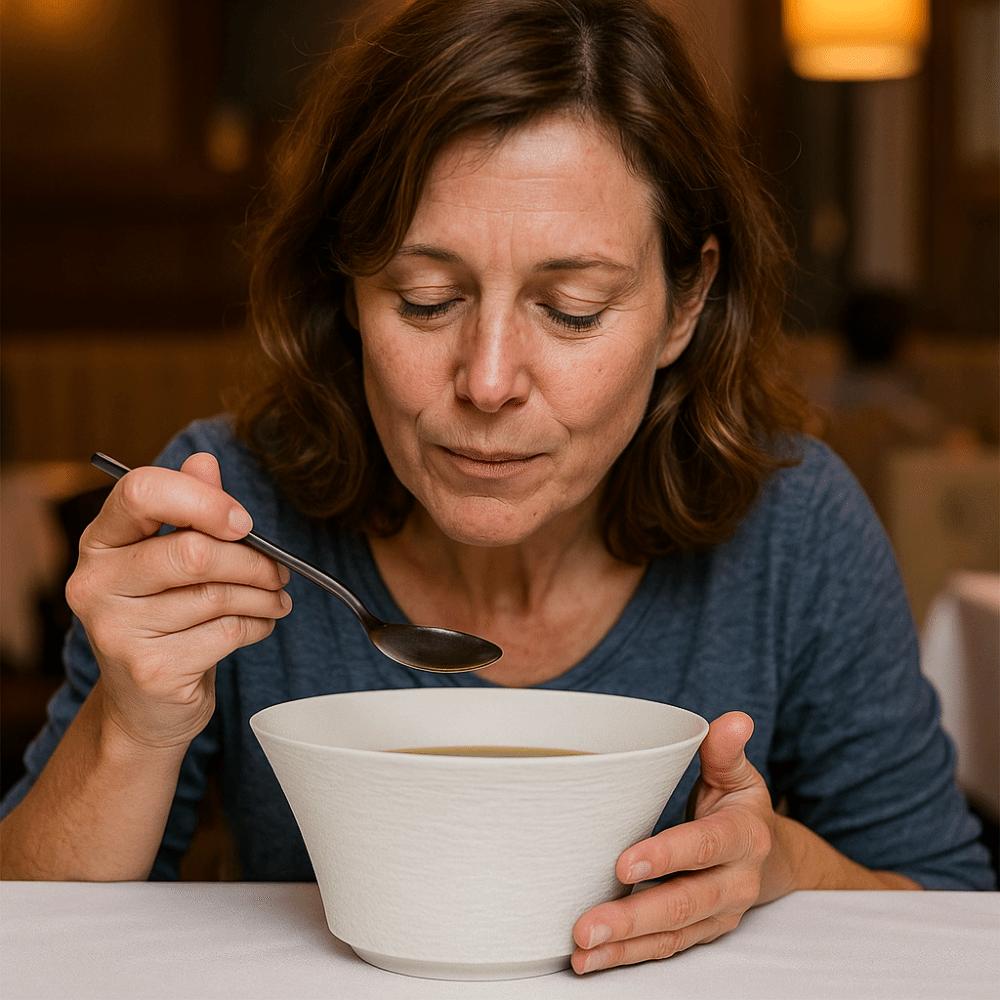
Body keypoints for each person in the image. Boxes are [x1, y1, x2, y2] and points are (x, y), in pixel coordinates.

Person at [1, 0, 992, 977]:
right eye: (425, 299)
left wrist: (788, 863)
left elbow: (949, 917)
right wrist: (130, 726)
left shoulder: (793, 523)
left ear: (684, 304)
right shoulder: (233, 507)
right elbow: (29, 933)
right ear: (346, 288)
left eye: (570, 310)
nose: (485, 381)